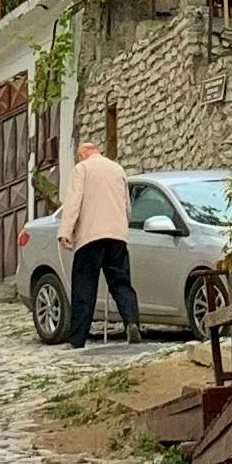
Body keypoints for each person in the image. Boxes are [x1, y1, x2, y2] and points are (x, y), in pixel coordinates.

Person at [60, 136, 143, 346]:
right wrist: (123, 228)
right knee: (121, 283)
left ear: (82, 155)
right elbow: (127, 205)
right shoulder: (118, 169)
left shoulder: (82, 170)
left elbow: (73, 202)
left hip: (90, 236)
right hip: (116, 235)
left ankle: (77, 338)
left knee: (84, 287)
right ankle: (131, 322)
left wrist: (66, 231)